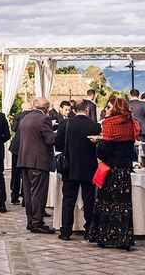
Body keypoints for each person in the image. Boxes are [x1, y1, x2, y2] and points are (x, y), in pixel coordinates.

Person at [87, 96, 139, 250]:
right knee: (123, 205)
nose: (105, 110)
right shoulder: (130, 124)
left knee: (106, 204)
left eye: (108, 107)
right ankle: (123, 239)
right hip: (124, 170)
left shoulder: (108, 125)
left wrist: (99, 143)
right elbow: (130, 149)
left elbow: (103, 152)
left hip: (110, 170)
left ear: (115, 109)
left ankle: (104, 236)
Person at [54, 100, 101, 241]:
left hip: (70, 166)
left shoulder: (65, 124)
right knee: (89, 200)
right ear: (87, 109)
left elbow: (58, 145)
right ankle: (89, 231)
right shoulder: (95, 126)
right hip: (89, 167)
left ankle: (66, 231)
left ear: (74, 109)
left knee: (68, 199)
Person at [17, 97, 56, 234]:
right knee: (38, 193)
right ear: (46, 107)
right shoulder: (44, 119)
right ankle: (37, 222)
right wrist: (58, 132)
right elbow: (50, 139)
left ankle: (30, 221)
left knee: (28, 193)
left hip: (25, 159)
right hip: (38, 161)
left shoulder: (25, 118)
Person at [9, 101, 32, 205]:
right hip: (27, 146)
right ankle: (25, 196)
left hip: (16, 146)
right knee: (26, 172)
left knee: (15, 172)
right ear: (30, 107)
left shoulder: (18, 116)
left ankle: (14, 195)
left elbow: (13, 128)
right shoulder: (32, 116)